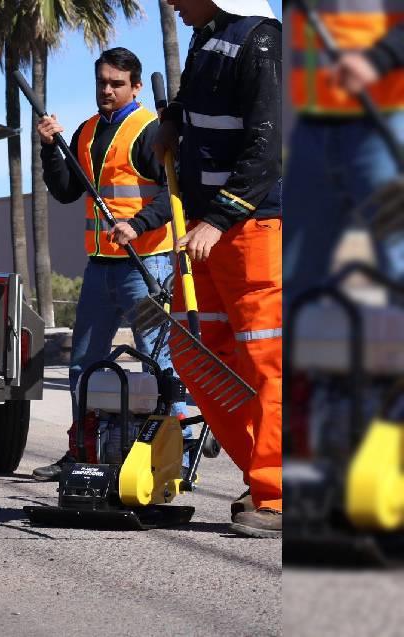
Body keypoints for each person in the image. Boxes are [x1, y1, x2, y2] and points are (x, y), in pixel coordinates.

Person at [31, 47, 190, 482]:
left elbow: (173, 190)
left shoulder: (150, 131)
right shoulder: (85, 132)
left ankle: (175, 453)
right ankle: (81, 450)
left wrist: (137, 225)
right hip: (101, 269)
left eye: (117, 83)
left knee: (157, 364)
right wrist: (49, 150)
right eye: (102, 81)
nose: (107, 89)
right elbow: (65, 190)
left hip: (145, 269)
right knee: (84, 363)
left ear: (135, 87)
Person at [157, 0, 282, 538]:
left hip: (252, 229)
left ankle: (280, 493)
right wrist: (168, 122)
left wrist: (221, 217)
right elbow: (193, 108)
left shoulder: (262, 40)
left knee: (264, 362)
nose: (171, 3)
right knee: (193, 352)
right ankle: (264, 476)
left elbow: (268, 143)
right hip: (203, 230)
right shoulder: (206, 37)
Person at [285, 2, 404, 296]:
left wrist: (377, 60)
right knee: (295, 269)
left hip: (379, 123)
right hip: (312, 127)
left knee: (396, 254)